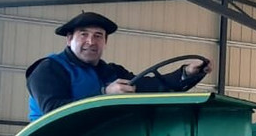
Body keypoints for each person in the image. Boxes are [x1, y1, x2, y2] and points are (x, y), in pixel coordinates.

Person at [26, 12, 211, 121]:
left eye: (98, 36)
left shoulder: (111, 72)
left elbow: (149, 86)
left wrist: (186, 73)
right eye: (83, 34)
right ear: (69, 39)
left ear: (105, 42)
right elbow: (53, 110)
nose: (91, 41)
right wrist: (104, 94)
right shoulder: (49, 69)